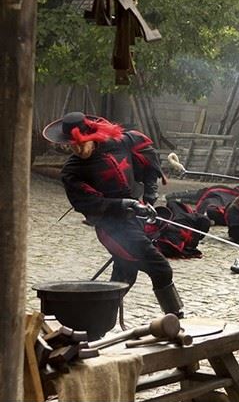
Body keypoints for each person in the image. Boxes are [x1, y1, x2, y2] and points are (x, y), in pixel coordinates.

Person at [42, 111, 184, 317]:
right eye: (73, 145)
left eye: (82, 143)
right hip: (112, 229)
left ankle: (95, 321)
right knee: (161, 268)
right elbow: (87, 203)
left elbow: (147, 153)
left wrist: (150, 193)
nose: (78, 149)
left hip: (136, 220)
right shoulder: (72, 171)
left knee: (124, 276)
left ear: (92, 136)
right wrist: (125, 204)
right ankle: (176, 318)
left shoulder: (119, 142)